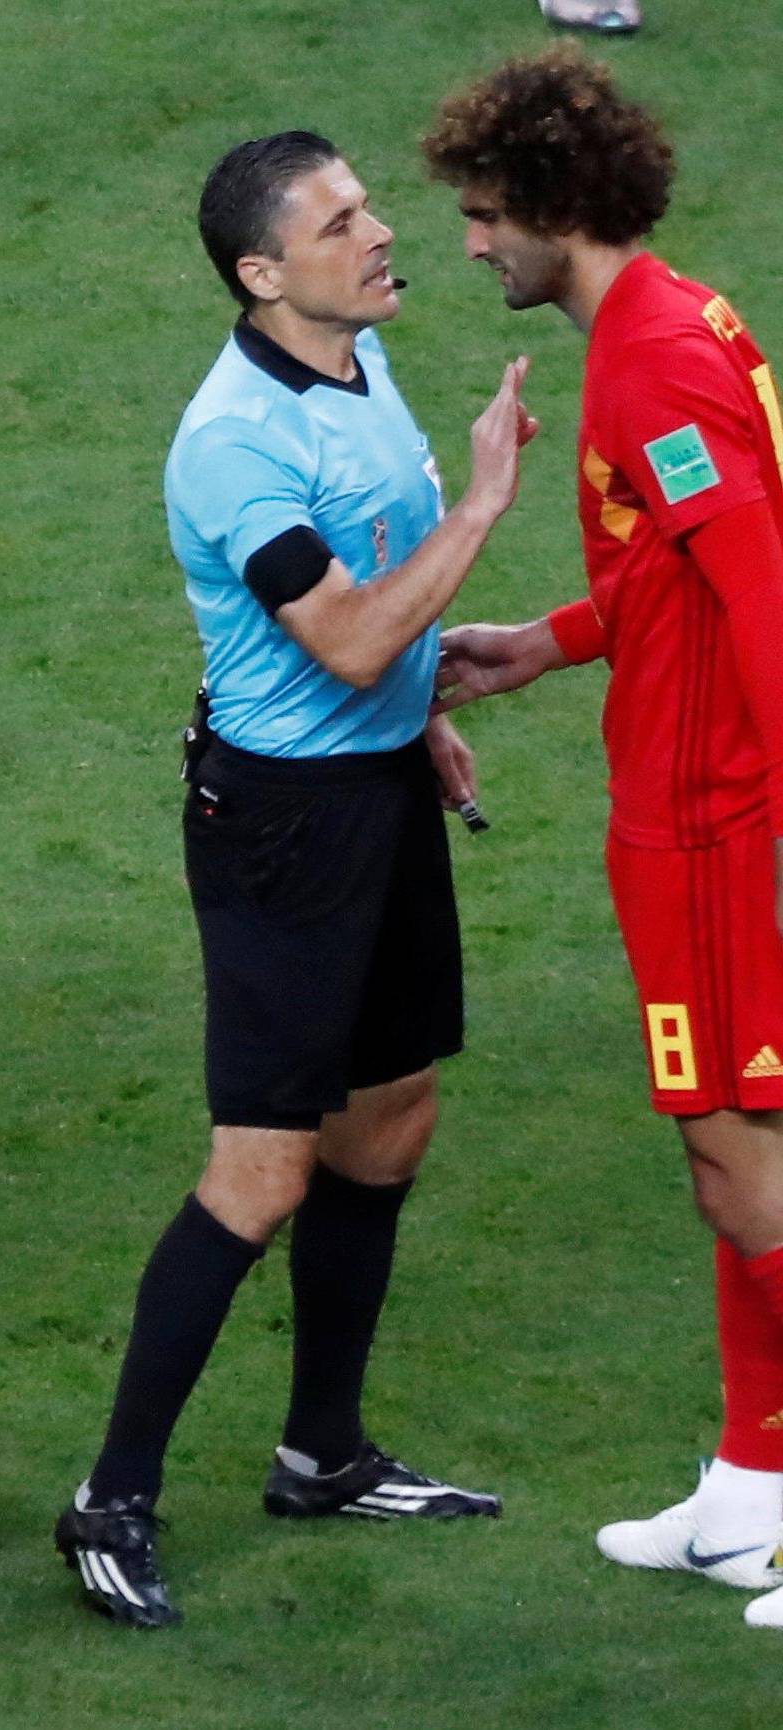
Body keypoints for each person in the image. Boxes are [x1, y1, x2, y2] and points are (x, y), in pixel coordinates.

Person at [55, 131, 532, 1629]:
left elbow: (377, 629)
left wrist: (425, 722)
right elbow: (341, 636)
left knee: (389, 1123)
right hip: (281, 829)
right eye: (343, 222)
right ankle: (107, 1497)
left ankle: (321, 1448)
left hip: (377, 793)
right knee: (261, 1168)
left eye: (368, 205)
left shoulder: (354, 359)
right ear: (265, 274)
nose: (383, 232)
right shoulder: (231, 443)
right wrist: (483, 506)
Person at [424, 47, 783, 1629]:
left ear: (558, 209)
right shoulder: (669, 322)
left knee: (742, 1165)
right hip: (684, 810)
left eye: (487, 214)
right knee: (735, 1165)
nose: (470, 243)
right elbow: (681, 577)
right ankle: (752, 1485)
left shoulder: (652, 366)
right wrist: (549, 641)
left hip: (713, 830)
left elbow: (767, 597)